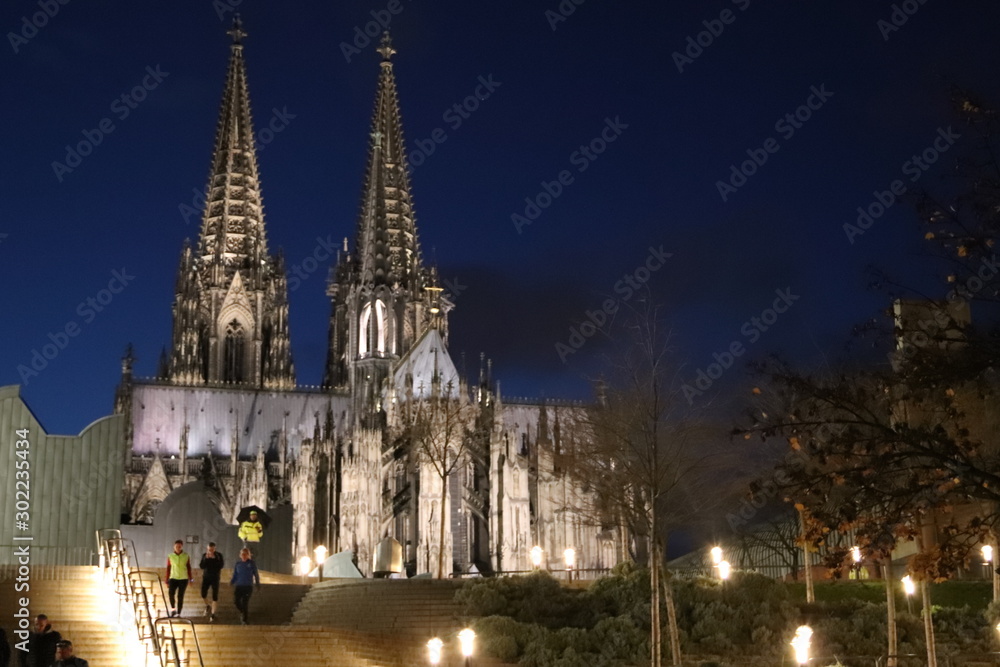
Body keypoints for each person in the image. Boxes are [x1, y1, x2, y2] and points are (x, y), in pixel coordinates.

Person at [230, 547, 260, 625]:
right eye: (242, 554)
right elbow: (235, 574)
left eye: (245, 554)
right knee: (236, 601)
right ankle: (242, 611)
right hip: (239, 586)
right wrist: (232, 582)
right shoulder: (238, 564)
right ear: (240, 555)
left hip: (248, 586)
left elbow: (256, 574)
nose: (244, 556)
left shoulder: (251, 563)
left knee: (245, 602)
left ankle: (245, 619)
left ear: (248, 555)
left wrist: (257, 584)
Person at [164, 539, 193, 617]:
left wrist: (191, 579)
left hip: (183, 579)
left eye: (179, 546)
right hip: (173, 578)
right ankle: (173, 609)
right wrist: (166, 580)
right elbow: (168, 568)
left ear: (182, 547)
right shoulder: (170, 556)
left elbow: (189, 567)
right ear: (174, 547)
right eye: (177, 546)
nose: (178, 548)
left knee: (180, 596)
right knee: (171, 594)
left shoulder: (186, 556)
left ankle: (179, 612)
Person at [199, 542, 224, 621]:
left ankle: (213, 614)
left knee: (215, 596)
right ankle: (207, 605)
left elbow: (221, 565)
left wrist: (214, 558)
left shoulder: (219, 555)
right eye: (209, 549)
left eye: (212, 549)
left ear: (214, 549)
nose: (211, 551)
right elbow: (201, 566)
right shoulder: (204, 555)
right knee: (203, 594)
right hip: (206, 577)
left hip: (215, 577)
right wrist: (206, 558)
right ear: (207, 549)